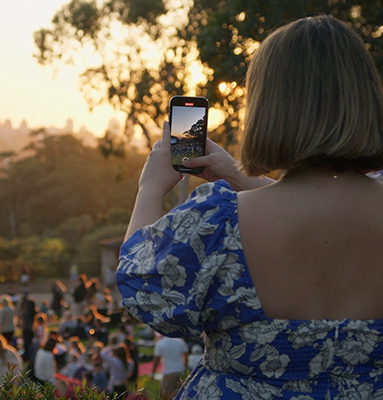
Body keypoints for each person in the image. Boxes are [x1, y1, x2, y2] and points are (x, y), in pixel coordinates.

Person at [116, 15, 383, 398]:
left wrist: (150, 188)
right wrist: (240, 176)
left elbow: (146, 291)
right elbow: (325, 208)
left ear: (266, 106)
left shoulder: (217, 223)